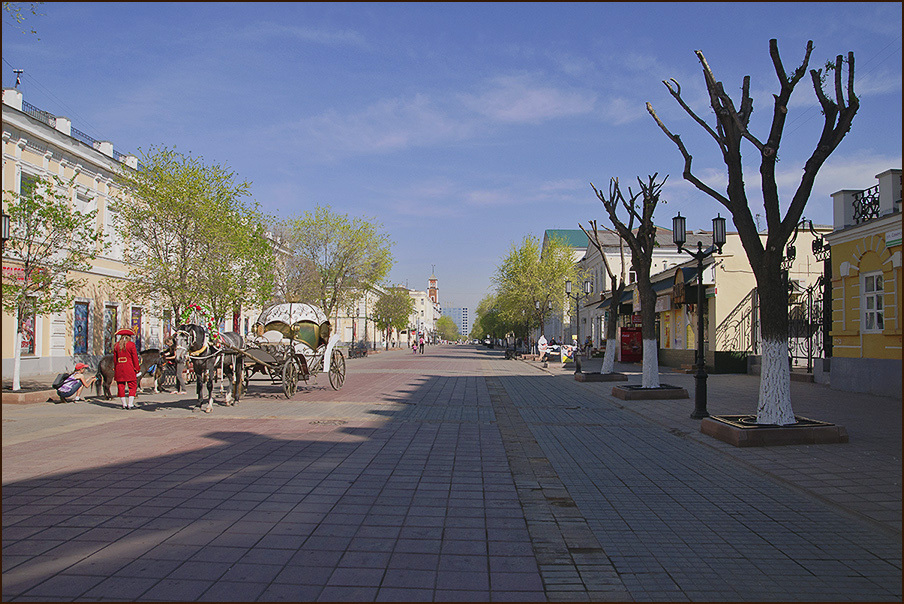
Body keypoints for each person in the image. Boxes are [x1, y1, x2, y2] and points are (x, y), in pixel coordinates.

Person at [113, 327, 141, 409]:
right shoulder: (131, 344)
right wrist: (137, 368)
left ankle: (124, 404)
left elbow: (115, 359)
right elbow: (135, 357)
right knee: (132, 385)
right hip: (129, 367)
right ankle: (130, 404)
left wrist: (115, 367)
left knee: (120, 386)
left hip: (119, 367)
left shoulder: (116, 345)